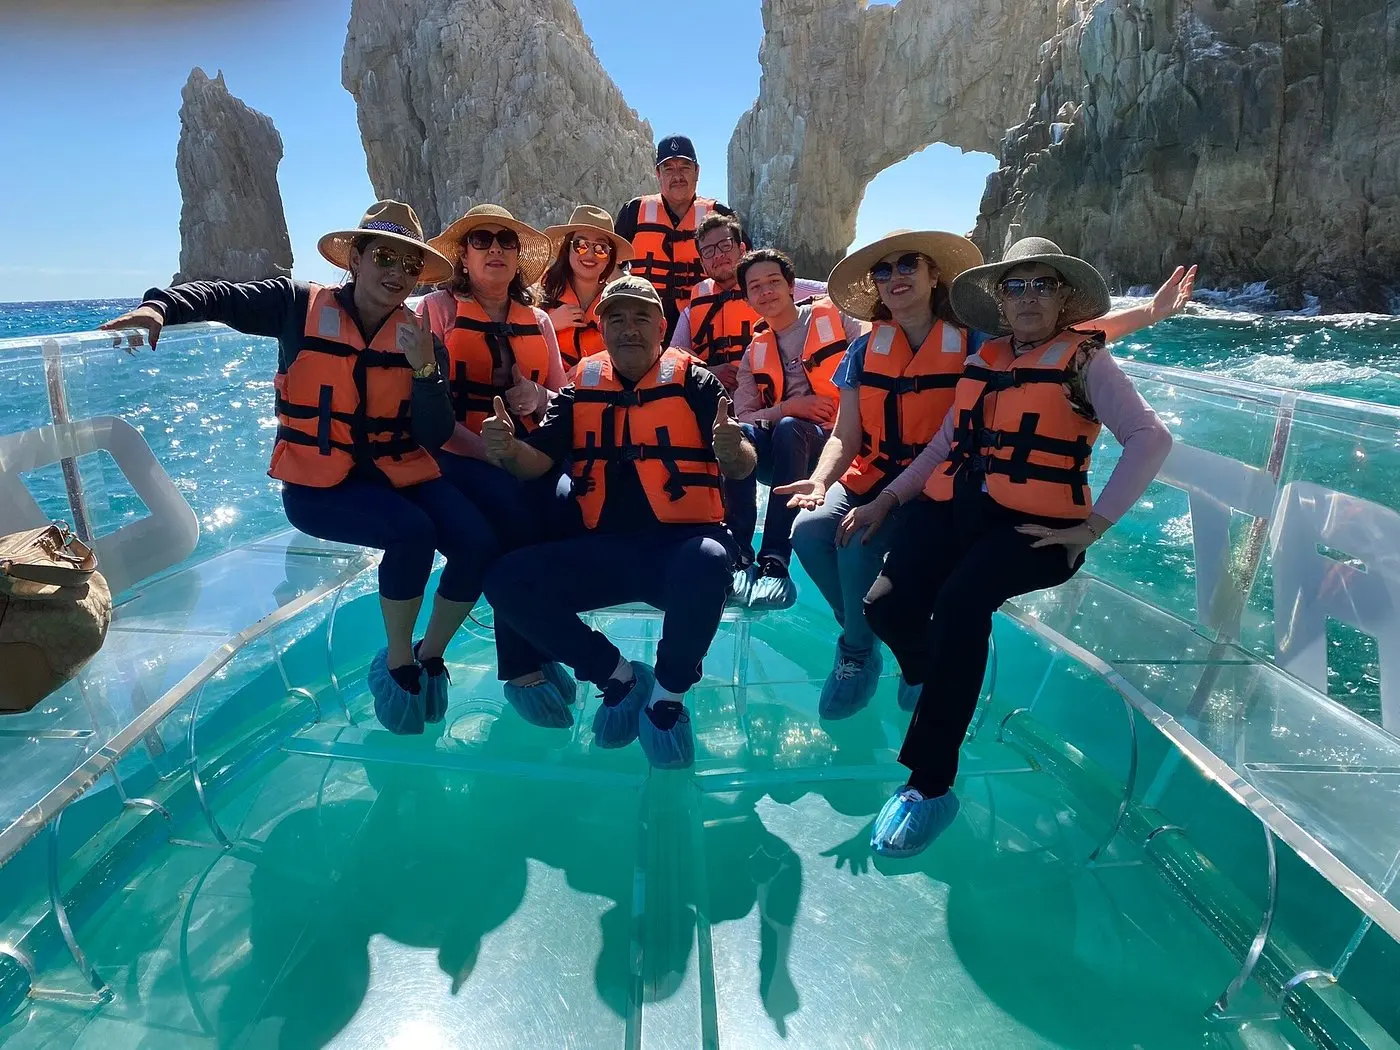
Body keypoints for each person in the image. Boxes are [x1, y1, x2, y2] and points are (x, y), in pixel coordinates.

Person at [99, 201, 493, 735]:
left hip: (397, 475)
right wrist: (159, 308)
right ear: (355, 258)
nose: (397, 273)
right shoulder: (296, 305)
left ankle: (431, 653)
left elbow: (433, 431)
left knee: (476, 541)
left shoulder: (421, 338)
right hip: (318, 488)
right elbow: (221, 296)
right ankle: (399, 662)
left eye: (409, 264)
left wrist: (425, 369)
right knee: (413, 532)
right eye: (384, 257)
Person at [782, 230, 1197, 719]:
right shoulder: (862, 351)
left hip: (935, 483)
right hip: (873, 475)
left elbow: (1062, 336)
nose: (895, 276)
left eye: (908, 264)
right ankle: (865, 637)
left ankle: (861, 649)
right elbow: (844, 435)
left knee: (856, 544)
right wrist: (820, 480)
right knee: (808, 532)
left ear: (933, 274)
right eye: (884, 270)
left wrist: (1149, 313)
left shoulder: (976, 341)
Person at [860, 237, 1180, 859]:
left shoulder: (1086, 363)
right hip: (963, 511)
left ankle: (930, 785)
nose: (1029, 297)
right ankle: (931, 674)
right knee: (884, 606)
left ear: (1063, 299)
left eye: (1042, 285)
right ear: (1000, 302)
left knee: (960, 604)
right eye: (1016, 286)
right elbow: (943, 446)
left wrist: (1093, 526)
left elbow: (1151, 438)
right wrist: (887, 500)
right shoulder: (985, 359)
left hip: (1038, 530)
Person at [480, 276, 758, 769]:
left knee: (711, 558)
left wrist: (733, 449)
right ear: (603, 328)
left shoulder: (696, 382)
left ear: (662, 327)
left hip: (680, 549)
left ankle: (666, 699)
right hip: (604, 548)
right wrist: (507, 449)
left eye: (641, 317)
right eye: (617, 319)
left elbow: (741, 464)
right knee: (505, 579)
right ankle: (617, 676)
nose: (629, 328)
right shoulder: (580, 386)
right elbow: (536, 461)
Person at [417, 203, 580, 722]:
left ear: (517, 257)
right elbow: (423, 405)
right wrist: (487, 452)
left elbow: (562, 397)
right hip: (453, 454)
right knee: (514, 515)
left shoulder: (538, 320)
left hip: (527, 454)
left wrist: (538, 396)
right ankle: (522, 666)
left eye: (505, 241)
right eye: (481, 240)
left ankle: (540, 642)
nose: (494, 249)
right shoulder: (435, 311)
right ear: (463, 257)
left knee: (569, 507)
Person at [726, 249, 866, 610]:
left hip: (835, 441)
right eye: (755, 287)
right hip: (782, 445)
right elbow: (745, 414)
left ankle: (775, 561)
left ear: (791, 286)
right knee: (738, 436)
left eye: (773, 282)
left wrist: (794, 417)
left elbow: (873, 374)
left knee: (790, 428)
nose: (766, 291)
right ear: (747, 298)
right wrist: (789, 408)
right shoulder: (755, 349)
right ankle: (738, 554)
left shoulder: (840, 319)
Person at [671, 213, 826, 392]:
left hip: (768, 391)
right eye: (708, 251)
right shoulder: (694, 305)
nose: (718, 255)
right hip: (711, 394)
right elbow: (674, 355)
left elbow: (833, 291)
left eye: (725, 245)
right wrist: (707, 371)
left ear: (742, 249)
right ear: (702, 264)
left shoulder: (775, 287)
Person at [614, 134, 741, 343]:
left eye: (684, 167)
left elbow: (746, 267)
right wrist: (630, 295)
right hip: (645, 323)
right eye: (669, 169)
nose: (677, 176)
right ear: (658, 173)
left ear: (697, 171)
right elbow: (609, 265)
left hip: (705, 322)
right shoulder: (633, 211)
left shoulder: (719, 213)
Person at [537, 204, 632, 374]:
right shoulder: (540, 295)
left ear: (609, 257)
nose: (589, 254)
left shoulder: (620, 303)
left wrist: (587, 368)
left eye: (601, 248)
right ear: (567, 249)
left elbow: (631, 358)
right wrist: (548, 324)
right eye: (580, 245)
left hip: (603, 388)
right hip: (548, 388)